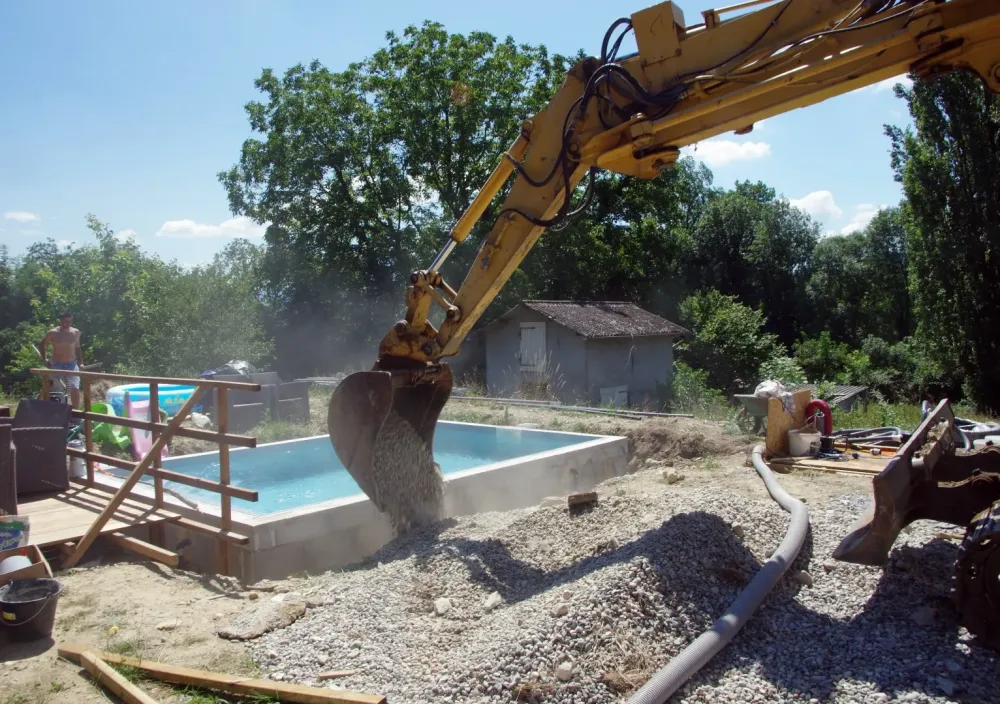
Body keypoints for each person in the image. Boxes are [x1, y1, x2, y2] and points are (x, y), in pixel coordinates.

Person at [40, 312, 85, 408]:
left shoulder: (75, 332)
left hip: (72, 364)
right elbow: (42, 344)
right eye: (65, 321)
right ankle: (53, 410)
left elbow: (77, 347)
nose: (68, 323)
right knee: (55, 389)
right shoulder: (53, 333)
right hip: (57, 364)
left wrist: (81, 362)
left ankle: (76, 412)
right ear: (60, 321)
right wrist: (45, 359)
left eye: (70, 321)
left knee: (75, 389)